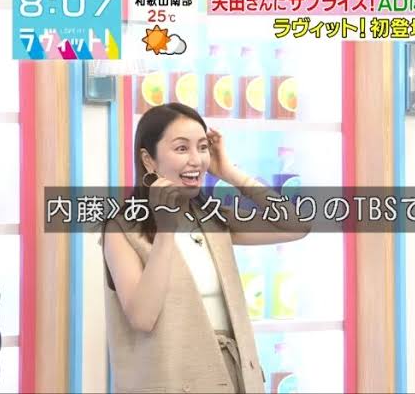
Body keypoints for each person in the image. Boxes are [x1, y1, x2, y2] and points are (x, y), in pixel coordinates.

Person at [102, 102, 310, 393]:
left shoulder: (213, 218)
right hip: (171, 382)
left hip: (230, 379)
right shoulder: (123, 229)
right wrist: (165, 229)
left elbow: (296, 225)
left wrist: (230, 172)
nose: (196, 160)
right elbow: (142, 317)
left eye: (202, 148)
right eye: (181, 148)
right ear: (149, 160)